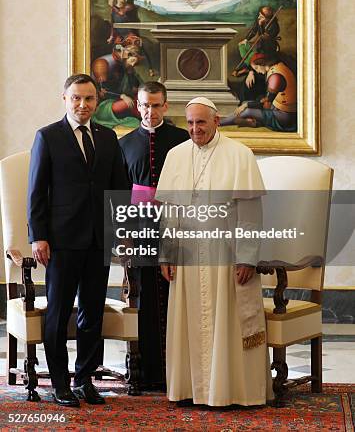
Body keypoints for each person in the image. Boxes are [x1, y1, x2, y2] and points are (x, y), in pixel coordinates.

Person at [156, 97, 273, 406]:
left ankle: (235, 391)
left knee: (230, 323)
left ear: (217, 121)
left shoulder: (240, 155)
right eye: (190, 123)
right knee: (190, 323)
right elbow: (169, 211)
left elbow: (250, 213)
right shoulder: (176, 155)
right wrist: (166, 254)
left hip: (227, 253)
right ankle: (192, 389)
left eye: (201, 122)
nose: (195, 129)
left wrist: (247, 256)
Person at [27, 74, 129, 407]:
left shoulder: (108, 137)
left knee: (91, 314)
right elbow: (37, 193)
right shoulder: (48, 136)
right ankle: (60, 384)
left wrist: (121, 233)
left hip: (99, 240)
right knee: (57, 315)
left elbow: (120, 191)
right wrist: (38, 236)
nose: (82, 105)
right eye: (76, 99)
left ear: (96, 101)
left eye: (88, 99)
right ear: (65, 99)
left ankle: (84, 379)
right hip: (61, 241)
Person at [119, 81, 189, 390]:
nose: (150, 111)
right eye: (145, 105)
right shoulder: (125, 143)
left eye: (156, 105)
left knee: (178, 293)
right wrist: (123, 235)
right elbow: (120, 193)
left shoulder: (182, 139)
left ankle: (180, 368)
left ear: (166, 105)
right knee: (145, 294)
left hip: (177, 224)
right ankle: (148, 369)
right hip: (141, 227)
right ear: (137, 105)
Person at [222, 53, 297, 131]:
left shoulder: (275, 77)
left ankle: (221, 122)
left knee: (247, 110)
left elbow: (266, 103)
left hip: (284, 117)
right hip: (278, 108)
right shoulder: (277, 66)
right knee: (247, 103)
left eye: (257, 68)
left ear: (263, 63)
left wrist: (246, 105)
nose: (257, 71)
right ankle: (254, 122)